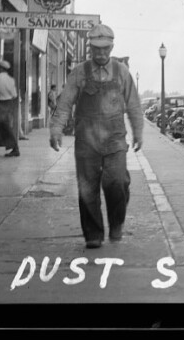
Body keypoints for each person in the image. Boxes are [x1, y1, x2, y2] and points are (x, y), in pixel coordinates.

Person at [49, 24, 144, 249]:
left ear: (112, 47)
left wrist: (138, 131)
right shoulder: (79, 72)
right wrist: (56, 129)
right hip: (86, 141)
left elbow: (133, 106)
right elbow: (64, 104)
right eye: (96, 49)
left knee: (118, 182)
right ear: (90, 48)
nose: (101, 54)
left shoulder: (122, 72)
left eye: (105, 49)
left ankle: (117, 223)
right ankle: (93, 233)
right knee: (87, 188)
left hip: (115, 140)